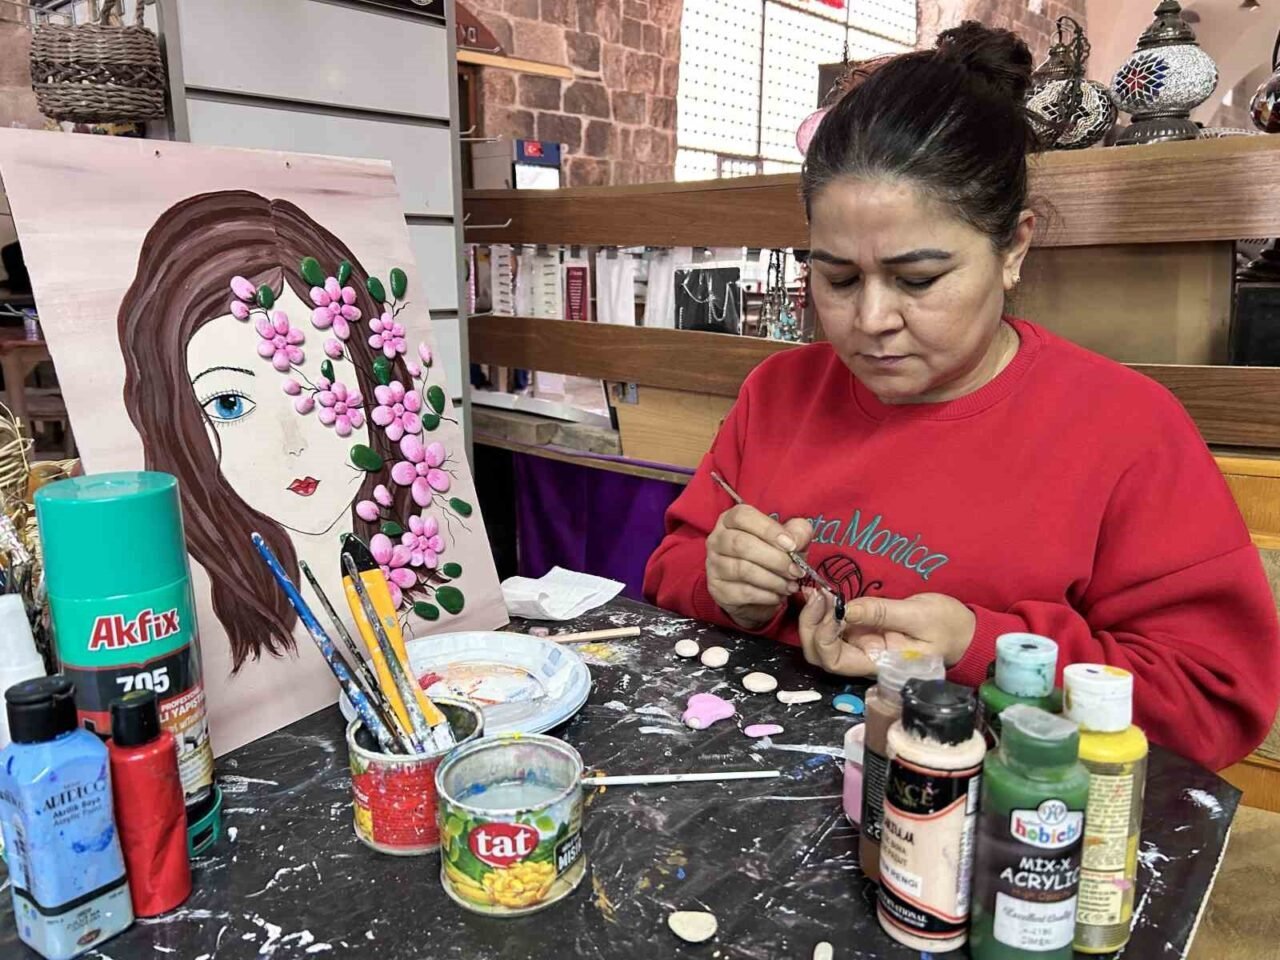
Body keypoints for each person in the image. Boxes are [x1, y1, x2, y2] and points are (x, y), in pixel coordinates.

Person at [643, 22, 1280, 771]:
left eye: (918, 280)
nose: (871, 320)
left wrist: (979, 647)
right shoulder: (780, 392)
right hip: (775, 782)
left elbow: (1212, 697)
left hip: (1007, 816)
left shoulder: (1125, 430)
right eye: (838, 278)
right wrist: (727, 586)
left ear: (1014, 248)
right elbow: (672, 566)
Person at [118, 190, 465, 670]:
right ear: (180, 427)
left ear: (374, 382)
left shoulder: (414, 564)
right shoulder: (212, 617)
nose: (294, 444)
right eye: (229, 403)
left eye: (325, 387)